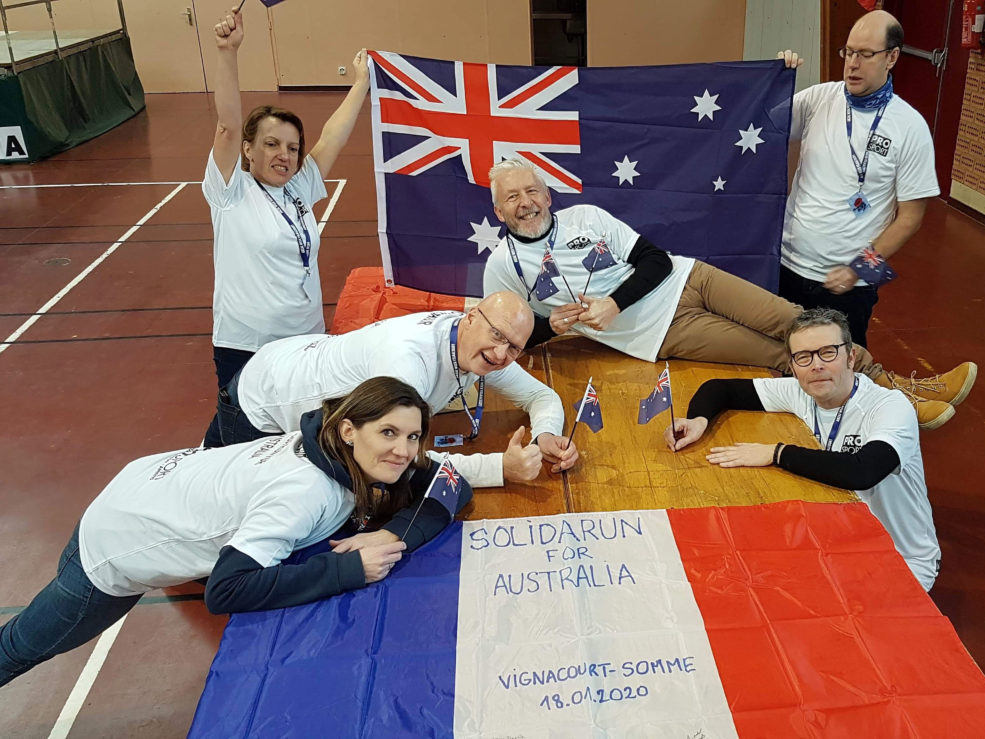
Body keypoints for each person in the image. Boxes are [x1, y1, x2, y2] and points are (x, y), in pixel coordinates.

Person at [0, 377, 472, 687]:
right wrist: (347, 568)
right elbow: (225, 591)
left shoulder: (330, 446)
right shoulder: (306, 493)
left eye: (413, 437)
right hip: (113, 545)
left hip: (150, 489)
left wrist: (394, 537)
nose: (404, 451)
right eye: (388, 433)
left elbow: (451, 483)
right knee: (19, 649)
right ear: (350, 430)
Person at [482, 158, 975, 430]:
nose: (525, 203)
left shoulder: (587, 218)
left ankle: (904, 388)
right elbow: (513, 337)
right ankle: (889, 406)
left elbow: (654, 261)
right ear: (500, 212)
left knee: (800, 323)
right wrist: (554, 326)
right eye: (511, 197)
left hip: (688, 279)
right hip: (664, 332)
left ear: (548, 195)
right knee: (781, 355)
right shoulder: (502, 265)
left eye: (532, 191)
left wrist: (612, 304)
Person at [663, 308, 939, 591]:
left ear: (851, 358)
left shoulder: (889, 407)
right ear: (793, 367)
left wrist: (777, 453)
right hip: (841, 541)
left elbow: (863, 471)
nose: (816, 365)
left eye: (828, 352)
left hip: (899, 558)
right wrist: (698, 419)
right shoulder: (800, 391)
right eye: (804, 357)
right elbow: (719, 389)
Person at [202, 8, 369, 445]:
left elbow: (333, 136)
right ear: (248, 149)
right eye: (272, 144)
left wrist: (360, 84)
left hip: (305, 340)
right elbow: (225, 123)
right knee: (244, 444)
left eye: (292, 148)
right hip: (247, 347)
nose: (284, 155)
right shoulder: (230, 192)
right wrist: (228, 52)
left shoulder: (298, 187)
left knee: (296, 438)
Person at [209, 291, 579, 486]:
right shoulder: (406, 362)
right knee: (220, 497)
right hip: (261, 402)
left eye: (513, 347)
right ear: (470, 318)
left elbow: (541, 395)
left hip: (293, 368)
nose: (501, 353)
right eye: (497, 335)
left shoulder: (474, 347)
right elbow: (397, 461)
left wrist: (545, 434)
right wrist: (500, 468)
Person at [776, 11, 939, 349]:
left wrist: (858, 270)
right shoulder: (818, 100)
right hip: (787, 264)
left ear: (892, 57)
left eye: (865, 55)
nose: (852, 64)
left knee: (840, 375)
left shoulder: (910, 127)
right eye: (848, 52)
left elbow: (911, 218)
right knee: (778, 361)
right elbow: (760, 125)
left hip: (851, 283)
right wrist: (775, 80)